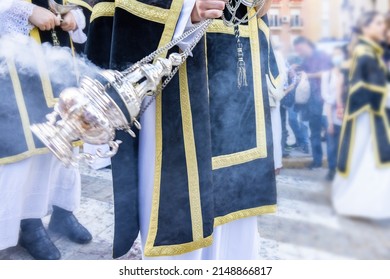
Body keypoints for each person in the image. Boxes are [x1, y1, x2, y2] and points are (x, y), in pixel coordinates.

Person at [85, 0, 278, 259]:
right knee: (181, 209)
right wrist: (187, 9)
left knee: (235, 218)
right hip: (175, 69)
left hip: (237, 60)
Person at [0, 0, 91, 260]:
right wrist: (26, 10)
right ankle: (28, 222)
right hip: (14, 61)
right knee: (27, 143)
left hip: (59, 55)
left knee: (65, 140)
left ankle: (63, 210)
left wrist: (75, 14)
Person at [332, 11, 390, 219]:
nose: (381, 28)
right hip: (367, 115)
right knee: (367, 163)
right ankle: (358, 205)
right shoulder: (365, 52)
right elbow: (366, 87)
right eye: (377, 23)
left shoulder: (371, 51)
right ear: (365, 28)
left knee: (369, 164)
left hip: (370, 114)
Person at [293, 36, 332, 169]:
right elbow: (302, 74)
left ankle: (334, 164)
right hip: (311, 102)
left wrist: (308, 75)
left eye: (299, 49)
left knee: (330, 133)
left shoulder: (322, 56)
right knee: (314, 132)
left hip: (324, 99)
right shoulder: (305, 59)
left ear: (305, 44)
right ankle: (317, 161)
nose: (298, 52)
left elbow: (325, 73)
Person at [321, 46, 348, 181]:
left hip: (345, 115)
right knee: (332, 145)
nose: (338, 58)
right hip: (330, 115)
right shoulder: (328, 75)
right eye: (335, 55)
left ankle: (343, 170)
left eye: (340, 55)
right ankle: (332, 170)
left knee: (345, 145)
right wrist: (336, 98)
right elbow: (325, 95)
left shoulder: (347, 74)